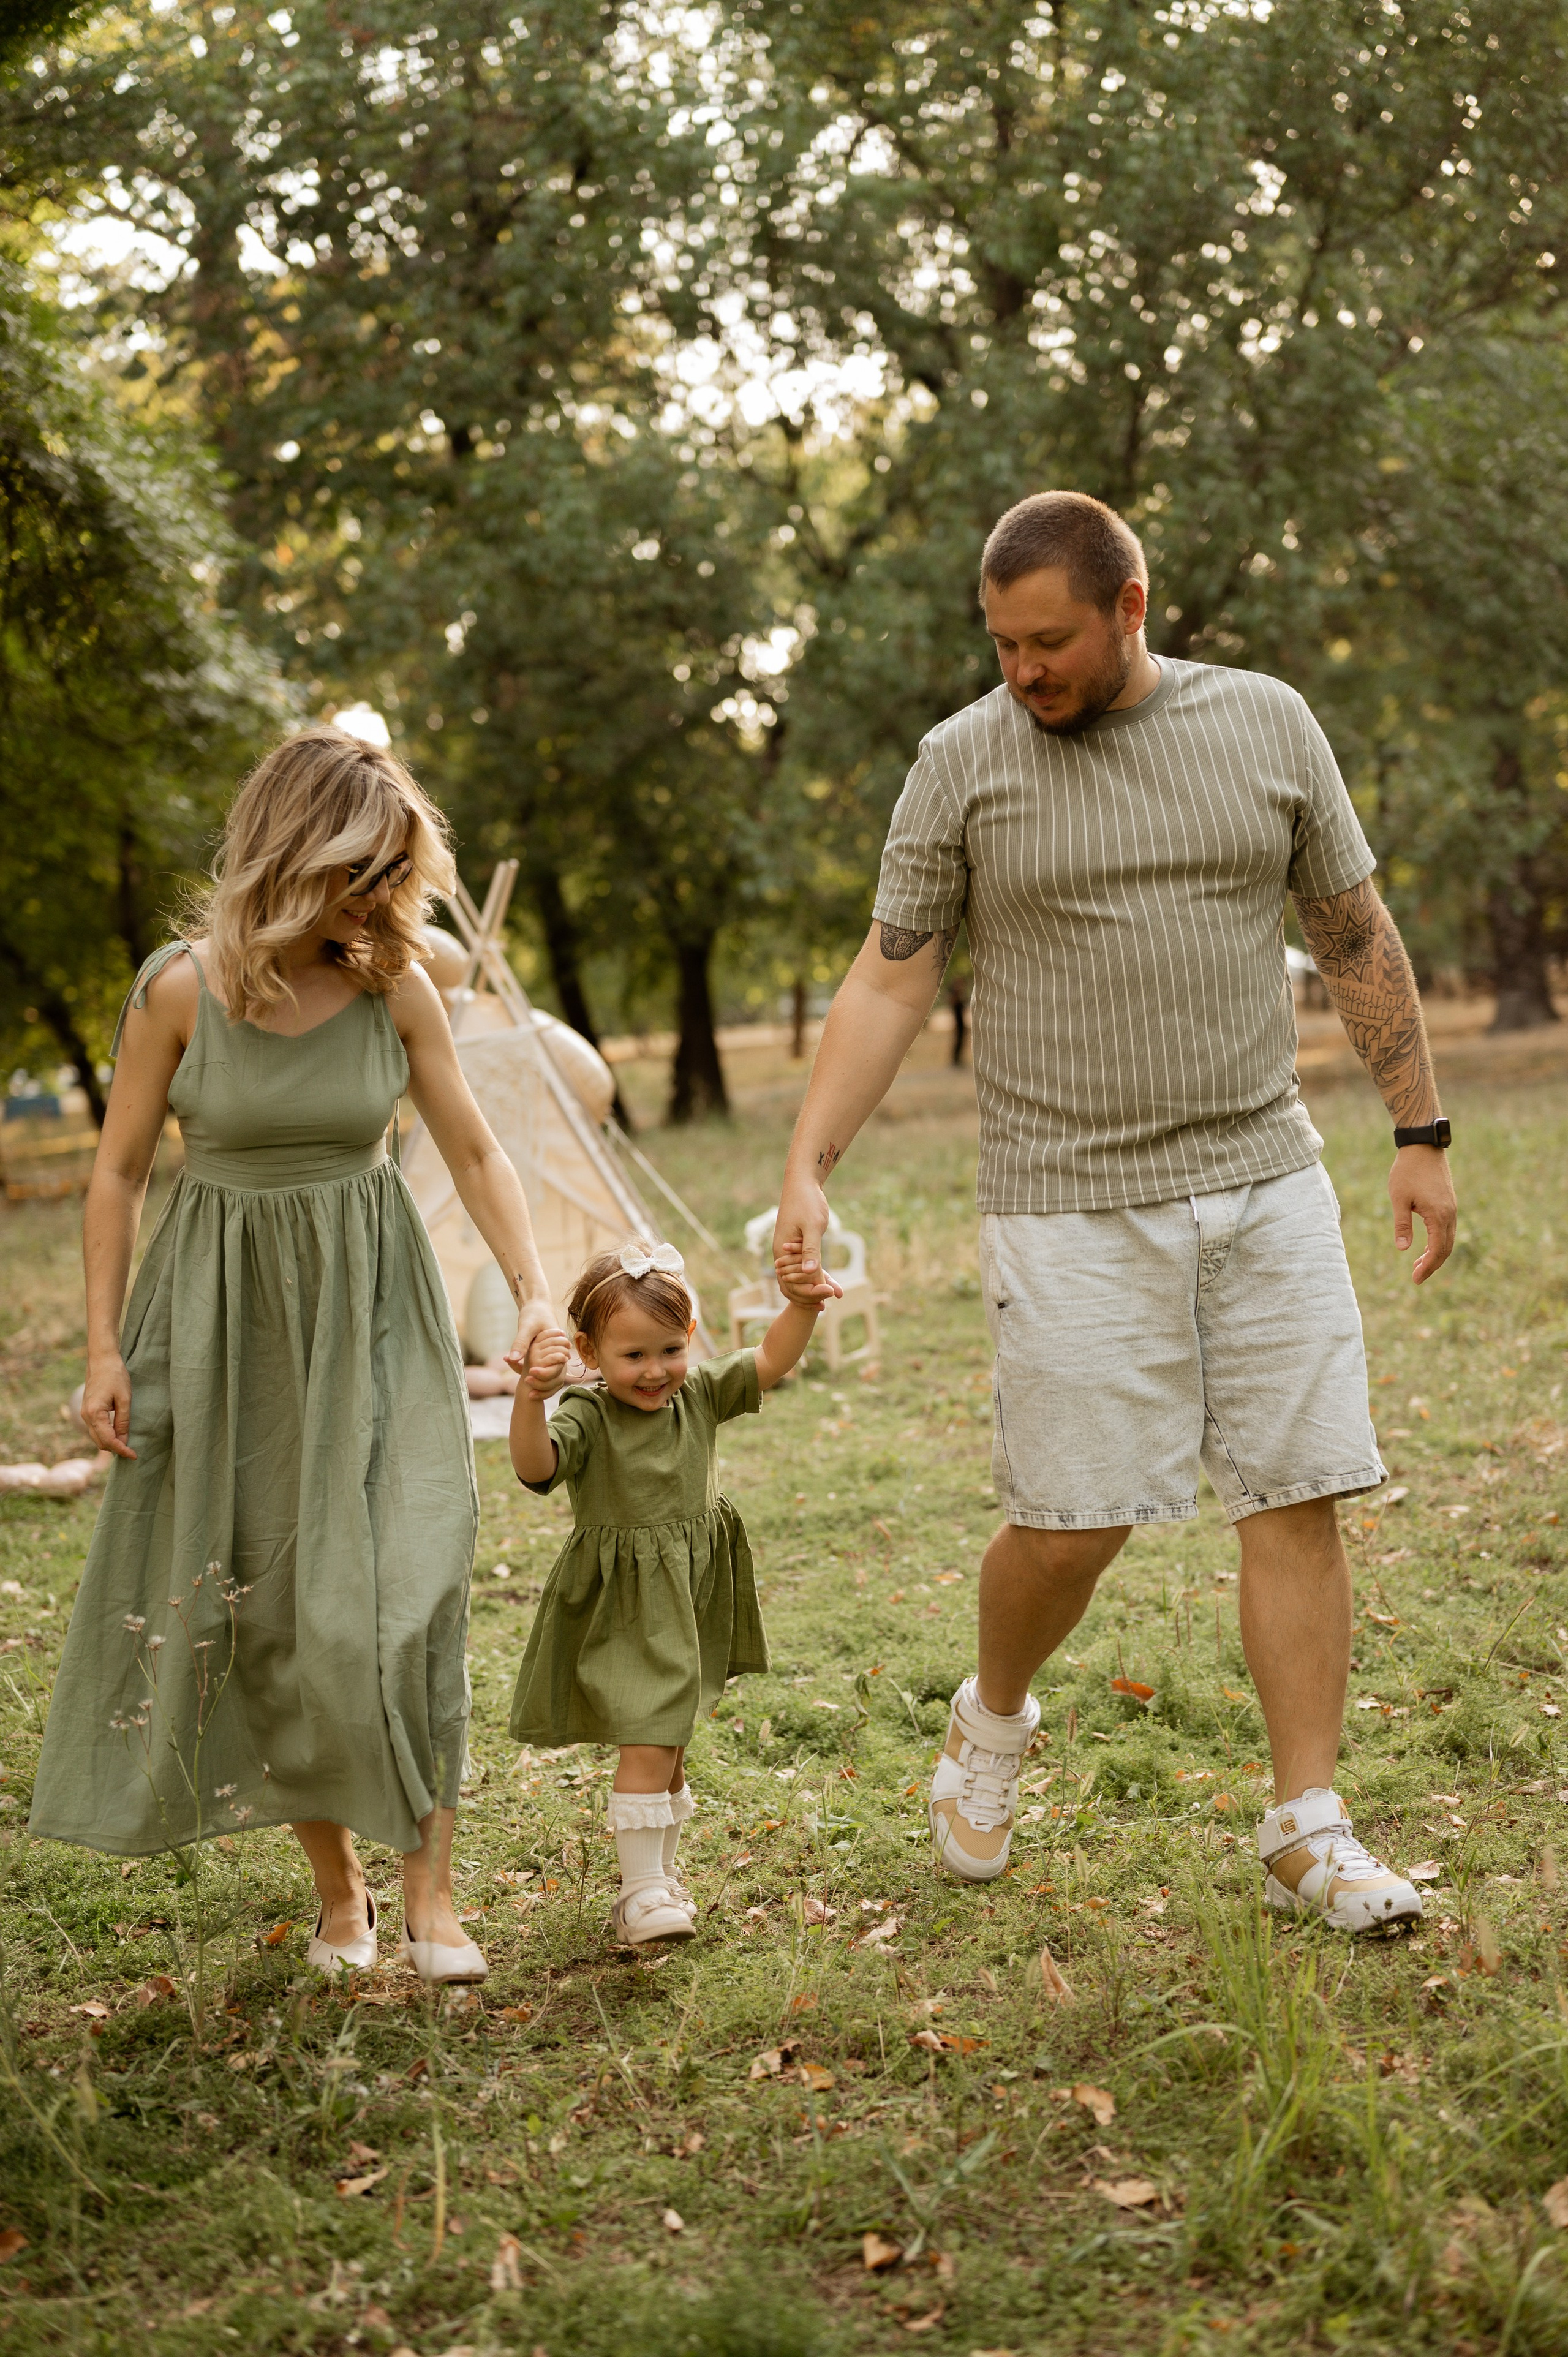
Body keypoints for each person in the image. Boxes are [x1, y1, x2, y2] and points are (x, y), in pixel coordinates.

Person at [774, 491, 1457, 1937]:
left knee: (1295, 1485)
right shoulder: (960, 763)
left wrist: (1418, 1126)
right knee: (1072, 1523)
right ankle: (993, 1716)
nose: (1023, 671)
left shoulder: (1265, 723)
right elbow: (891, 976)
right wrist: (807, 1163)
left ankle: (1305, 1821)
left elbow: (1347, 929)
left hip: (1262, 1174)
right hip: (1065, 1196)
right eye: (1001, 643)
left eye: (1049, 640)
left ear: (1128, 606)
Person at [29, 726, 558, 1985]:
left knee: (405, 1588)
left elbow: (476, 1151)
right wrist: (105, 1347)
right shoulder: (177, 991)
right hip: (222, 1322)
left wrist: (534, 1288)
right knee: (271, 1609)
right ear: (291, 854)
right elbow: (112, 1174)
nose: (380, 900)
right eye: (359, 872)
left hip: (372, 1305)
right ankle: (343, 1893)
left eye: (393, 873)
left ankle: (433, 1894)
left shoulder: (398, 982)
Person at [506, 1240, 820, 1945]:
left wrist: (799, 1304)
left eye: (670, 1348)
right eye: (633, 1355)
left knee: (670, 1740)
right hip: (626, 1601)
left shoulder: (700, 1392)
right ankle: (641, 1891)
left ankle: (661, 1878)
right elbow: (536, 1467)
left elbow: (771, 1358)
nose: (656, 1371)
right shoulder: (589, 1415)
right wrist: (531, 1397)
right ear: (588, 1348)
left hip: (690, 1589)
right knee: (649, 1738)